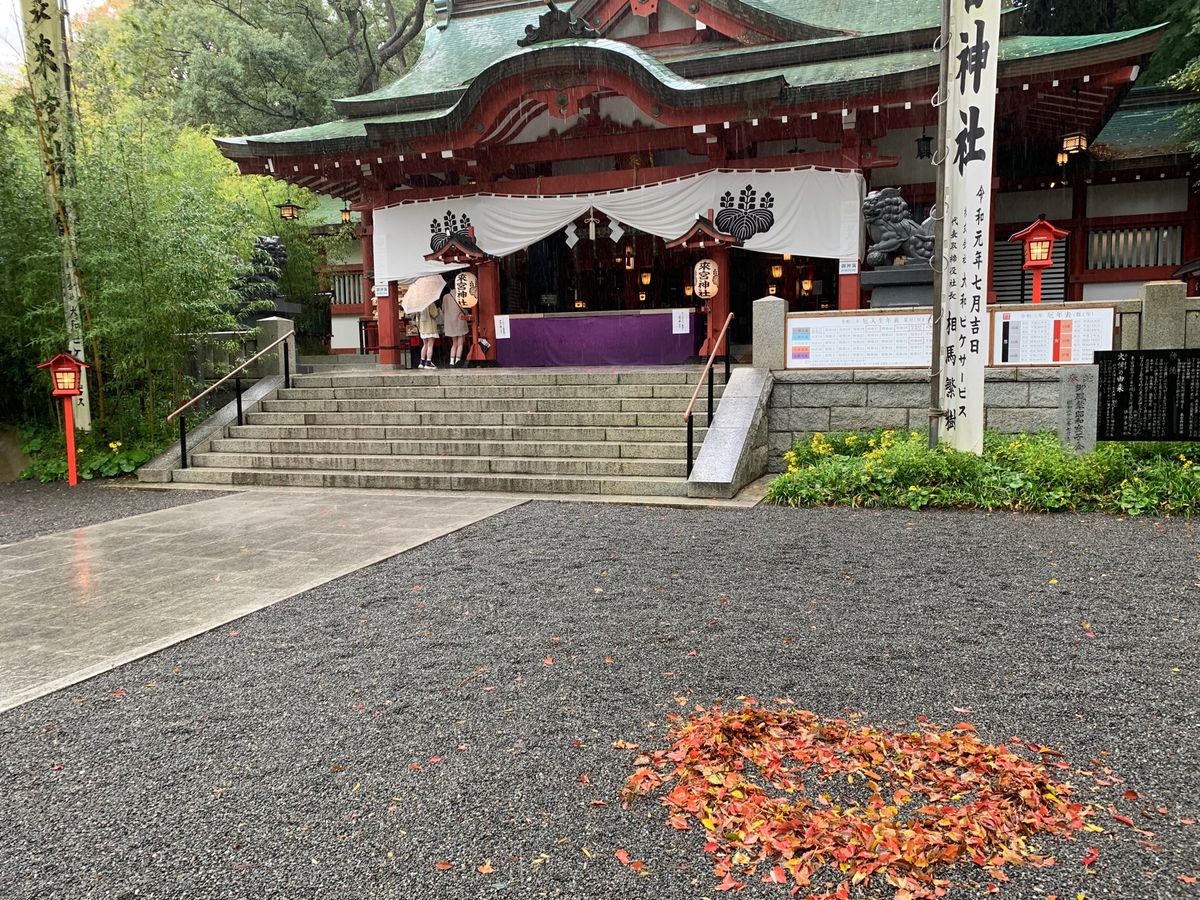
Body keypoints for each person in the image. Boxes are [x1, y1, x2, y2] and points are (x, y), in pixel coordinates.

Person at [441, 283, 471, 367]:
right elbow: (463, 308)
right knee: (460, 343)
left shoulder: (445, 297)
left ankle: (451, 361)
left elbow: (443, 310)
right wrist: (467, 314)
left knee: (454, 343)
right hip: (460, 320)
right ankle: (458, 360)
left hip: (450, 322)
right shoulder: (460, 295)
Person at [416, 299, 440, 368]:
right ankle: (428, 362)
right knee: (430, 345)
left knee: (425, 344)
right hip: (430, 326)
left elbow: (417, 317)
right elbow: (434, 314)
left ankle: (422, 362)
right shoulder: (430, 302)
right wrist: (437, 309)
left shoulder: (419, 304)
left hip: (422, 327)